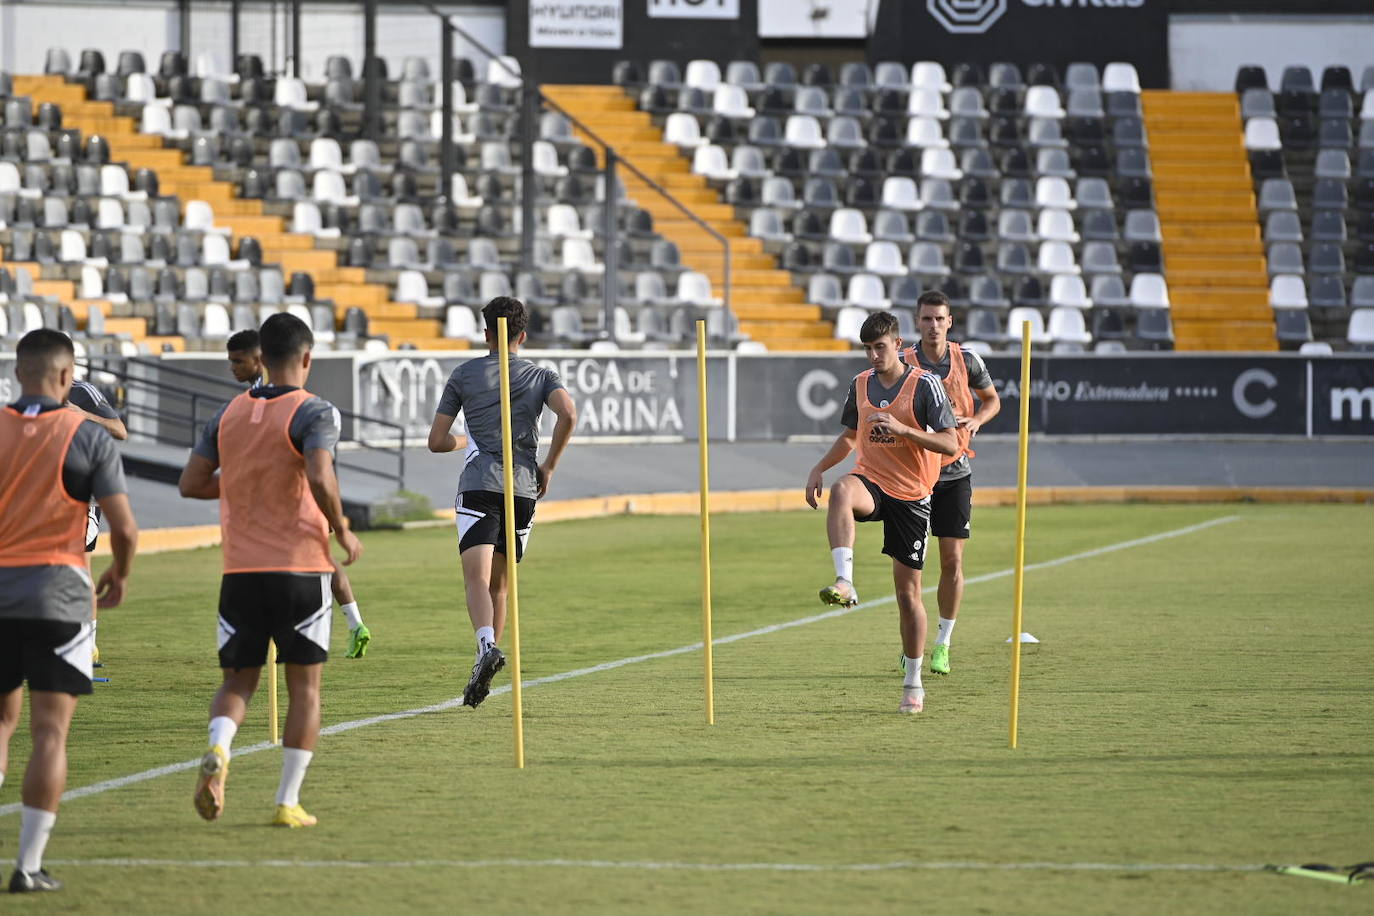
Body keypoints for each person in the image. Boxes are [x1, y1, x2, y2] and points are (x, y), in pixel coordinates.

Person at [180, 313, 362, 828]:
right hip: (300, 569)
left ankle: (220, 748)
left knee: (237, 681)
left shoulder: (228, 414)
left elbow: (191, 483)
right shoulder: (315, 411)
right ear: (306, 358)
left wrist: (244, 480)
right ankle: (286, 800)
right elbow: (320, 472)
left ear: (261, 357)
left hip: (239, 571)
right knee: (306, 690)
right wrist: (342, 527)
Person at [0, 330, 137, 893]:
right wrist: (120, 575)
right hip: (61, 592)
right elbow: (124, 528)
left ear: (16, 374)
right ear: (67, 377)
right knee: (49, 734)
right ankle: (28, 867)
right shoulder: (85, 434)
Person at [804, 311, 958, 714]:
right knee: (840, 490)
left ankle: (914, 680)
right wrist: (820, 467)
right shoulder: (860, 384)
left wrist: (905, 431)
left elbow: (949, 444)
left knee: (908, 596)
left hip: (911, 496)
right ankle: (845, 581)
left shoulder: (924, 385)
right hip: (871, 480)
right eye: (867, 348)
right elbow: (851, 436)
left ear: (897, 343)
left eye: (880, 347)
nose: (873, 355)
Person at [426, 297, 576, 709]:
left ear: (486, 332)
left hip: (478, 484)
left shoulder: (464, 374)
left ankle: (485, 646)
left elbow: (437, 441)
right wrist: (549, 466)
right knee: (501, 586)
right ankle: (488, 655)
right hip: (524, 487)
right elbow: (569, 414)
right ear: (522, 336)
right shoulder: (541, 375)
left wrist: (467, 440)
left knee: (476, 579)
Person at [226, 329, 371, 659]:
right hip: (297, 504)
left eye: (239, 360)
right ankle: (354, 624)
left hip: (294, 505)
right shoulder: (253, 400)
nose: (233, 367)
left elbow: (318, 466)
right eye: (230, 361)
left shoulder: (266, 401)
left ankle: (318, 635)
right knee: (325, 562)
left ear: (259, 359)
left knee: (316, 565)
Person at [904, 291, 1000, 676]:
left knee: (952, 560)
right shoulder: (903, 363)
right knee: (911, 568)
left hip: (955, 472)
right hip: (913, 476)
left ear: (950, 321)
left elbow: (991, 400)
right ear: (917, 321)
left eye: (938, 319)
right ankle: (911, 646)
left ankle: (943, 643)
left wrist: (978, 420)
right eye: (926, 319)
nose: (932, 325)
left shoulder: (967, 360)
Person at [65, 376, 128, 669]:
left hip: (82, 501)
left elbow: (120, 430)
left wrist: (84, 415)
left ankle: (89, 647)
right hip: (43, 502)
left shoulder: (83, 392)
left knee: (81, 571)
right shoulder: (29, 391)